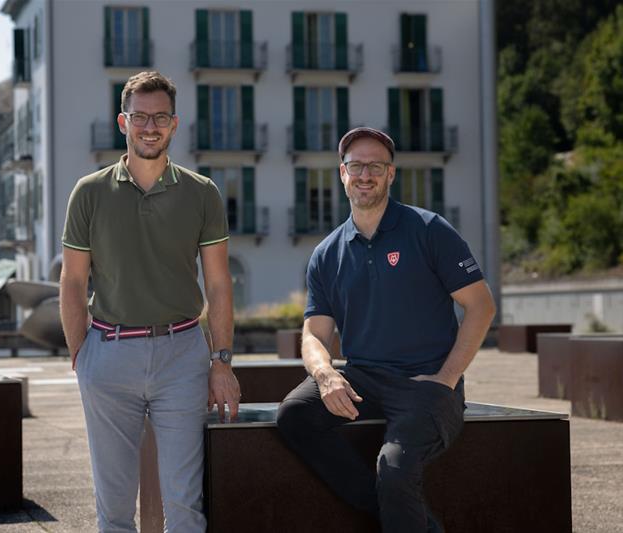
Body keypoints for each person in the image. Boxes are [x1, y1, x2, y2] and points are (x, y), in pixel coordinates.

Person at [276, 127, 496, 532]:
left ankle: (399, 508)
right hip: (364, 378)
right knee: (293, 415)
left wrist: (446, 379)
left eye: (375, 166)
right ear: (341, 174)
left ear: (391, 174)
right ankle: (411, 521)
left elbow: (481, 307)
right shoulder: (327, 253)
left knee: (393, 469)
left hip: (425, 383)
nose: (365, 175)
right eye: (355, 166)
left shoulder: (429, 230)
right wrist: (326, 375)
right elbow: (314, 335)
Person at [59, 71, 240, 533]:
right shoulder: (90, 192)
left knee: (185, 503)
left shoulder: (203, 193)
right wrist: (83, 354)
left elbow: (219, 285)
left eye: (160, 117)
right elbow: (73, 280)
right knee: (114, 507)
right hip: (108, 353)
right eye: (140, 117)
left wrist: (221, 361)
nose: (150, 126)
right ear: (124, 121)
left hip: (182, 355)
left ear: (175, 125)